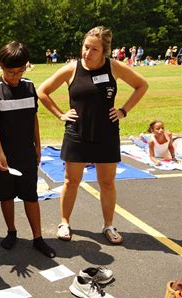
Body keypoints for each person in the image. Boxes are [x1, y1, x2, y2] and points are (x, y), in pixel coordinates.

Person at [37, 26, 148, 245]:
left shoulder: (113, 67)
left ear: (105, 51)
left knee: (107, 182)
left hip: (106, 133)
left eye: (94, 49)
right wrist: (60, 114)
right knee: (71, 181)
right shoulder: (72, 68)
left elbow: (141, 85)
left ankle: (108, 225)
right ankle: (65, 223)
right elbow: (42, 91)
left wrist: (123, 111)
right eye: (86, 47)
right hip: (77, 133)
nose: (87, 53)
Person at [0, 41, 56, 258]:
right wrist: (1, 153)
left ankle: (38, 238)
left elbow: (33, 118)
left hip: (26, 151)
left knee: (30, 195)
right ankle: (11, 232)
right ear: (0, 66)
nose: (15, 76)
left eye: (20, 71)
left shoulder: (29, 86)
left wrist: (38, 146)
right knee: (6, 195)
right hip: (2, 153)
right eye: (10, 72)